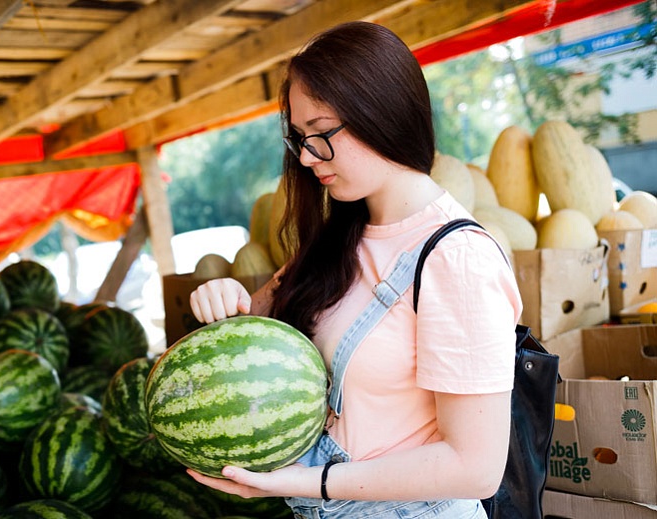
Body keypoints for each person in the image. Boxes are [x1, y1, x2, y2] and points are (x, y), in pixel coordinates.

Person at [187, 20, 522, 519]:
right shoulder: (336, 241)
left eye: (321, 134)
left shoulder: (458, 259)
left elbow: (475, 465)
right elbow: (250, 349)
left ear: (381, 112)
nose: (305, 157)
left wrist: (309, 481)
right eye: (299, 137)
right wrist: (222, 298)